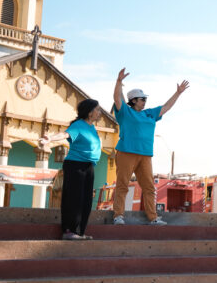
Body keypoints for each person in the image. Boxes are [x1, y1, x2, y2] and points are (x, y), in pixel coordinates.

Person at [111, 68, 189, 225]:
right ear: (133, 101)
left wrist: (178, 93)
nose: (144, 101)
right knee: (122, 185)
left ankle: (153, 218)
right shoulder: (125, 111)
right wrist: (119, 82)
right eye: (141, 99)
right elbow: (117, 98)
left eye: (144, 99)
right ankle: (118, 216)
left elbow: (166, 107)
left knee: (149, 188)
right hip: (126, 152)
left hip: (145, 155)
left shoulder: (149, 114)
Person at [39, 99, 102, 240]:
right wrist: (50, 138)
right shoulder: (78, 125)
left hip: (89, 166)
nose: (100, 113)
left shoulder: (91, 127)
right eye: (97, 110)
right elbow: (65, 134)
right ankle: (69, 231)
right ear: (90, 112)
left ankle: (80, 232)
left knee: (86, 200)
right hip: (75, 165)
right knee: (74, 199)